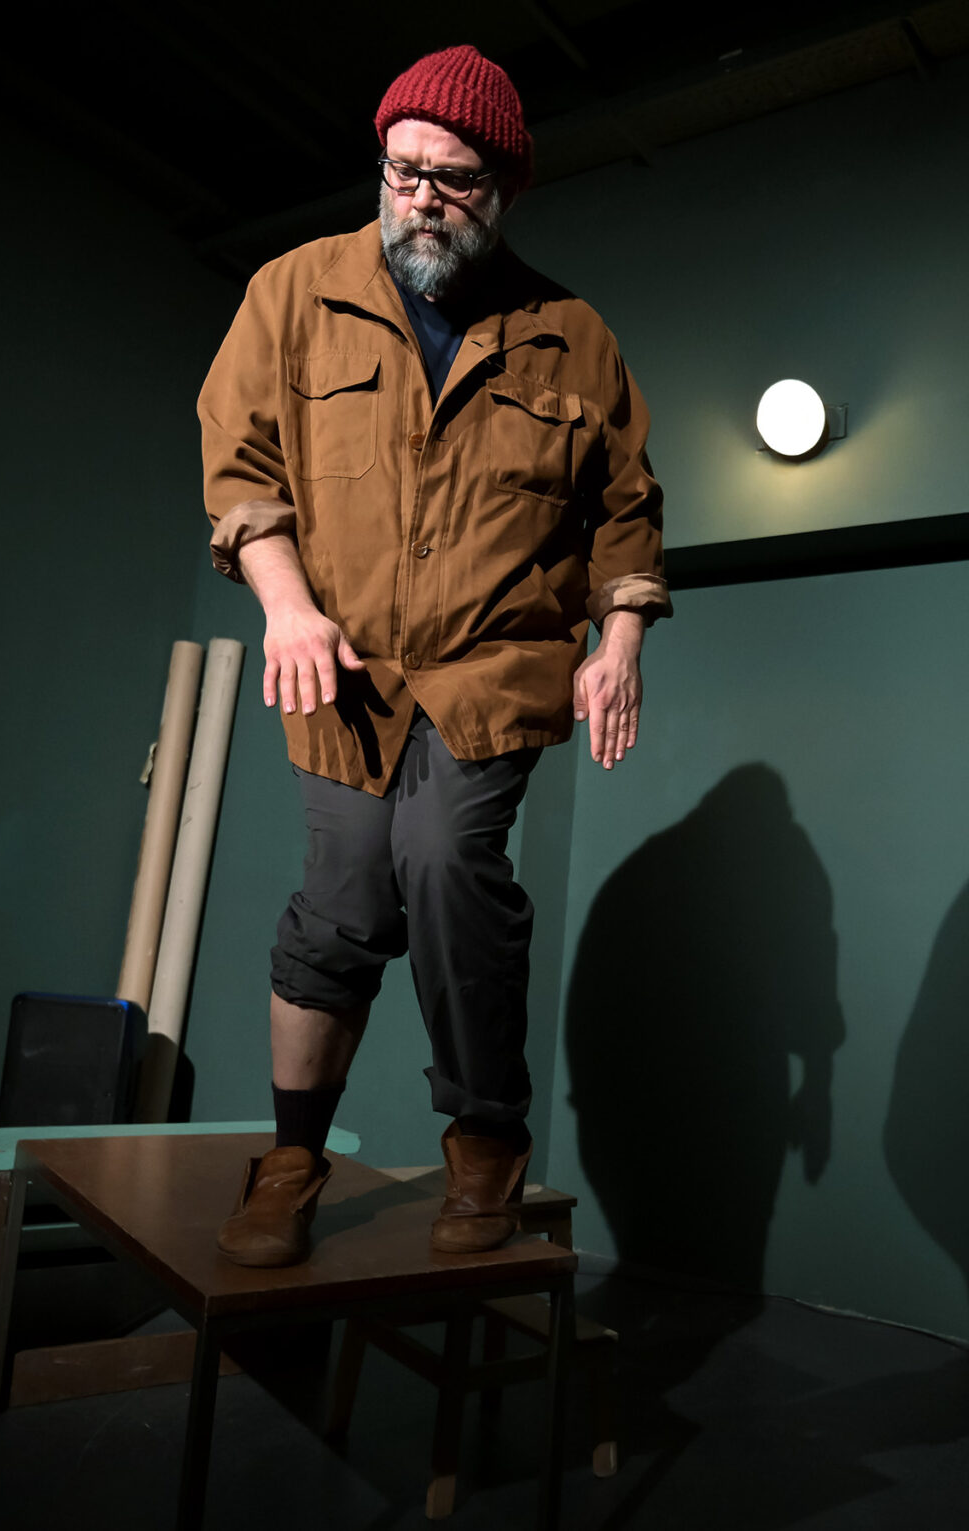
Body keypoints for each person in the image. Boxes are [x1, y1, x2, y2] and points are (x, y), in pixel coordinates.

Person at [194, 44, 669, 1267]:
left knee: (447, 860)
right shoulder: (294, 292)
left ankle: (485, 1137)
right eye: (400, 170)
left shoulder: (571, 337)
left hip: (492, 668)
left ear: (501, 189)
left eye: (450, 180)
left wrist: (617, 640)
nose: (418, 198)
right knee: (343, 901)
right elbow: (240, 465)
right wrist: (286, 606)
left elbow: (625, 511)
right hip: (341, 663)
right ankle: (292, 1156)